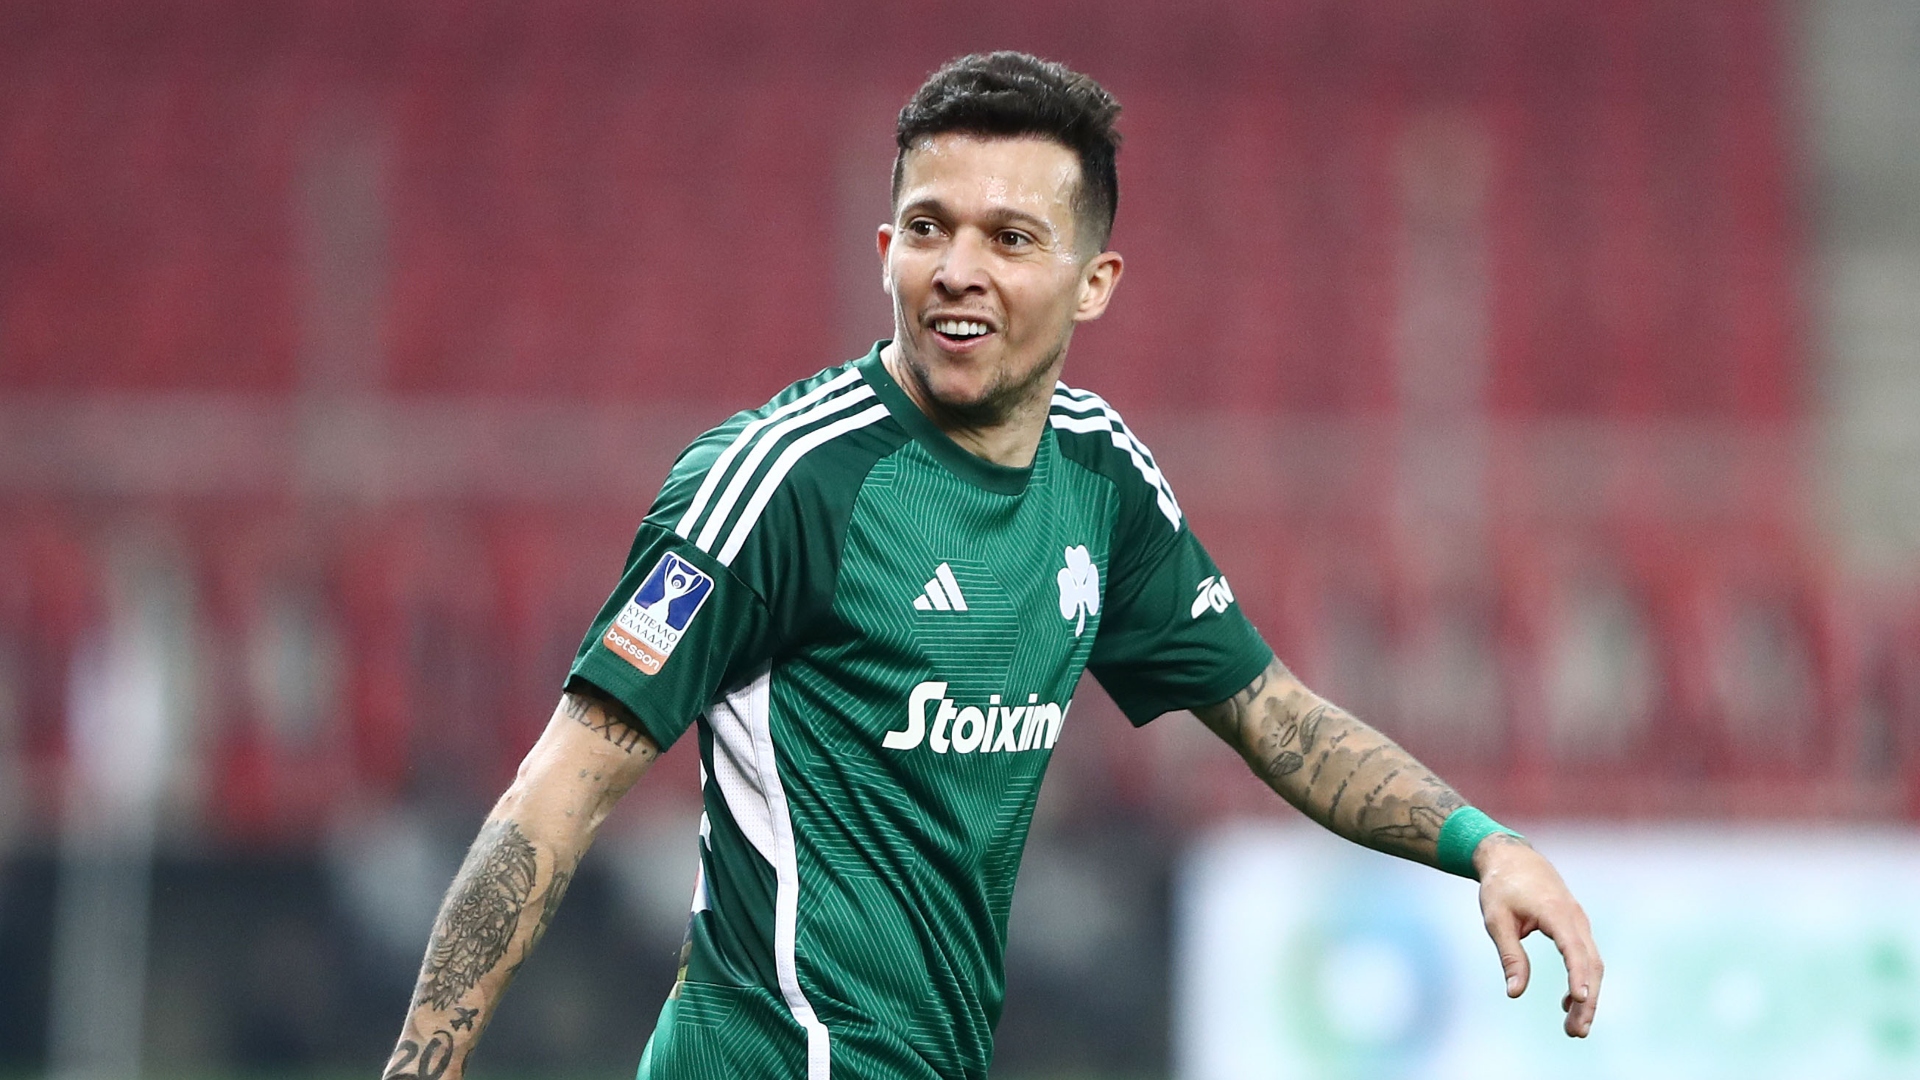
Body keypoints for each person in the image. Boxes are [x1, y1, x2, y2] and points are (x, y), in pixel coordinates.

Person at [379, 50, 1602, 1080]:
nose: (957, 268)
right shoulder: (780, 485)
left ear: (1093, 283)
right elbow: (558, 790)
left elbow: (1271, 713)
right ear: (884, 249)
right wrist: (421, 1067)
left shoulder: (1100, 478)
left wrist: (1484, 845)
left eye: (1011, 237)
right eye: (929, 228)